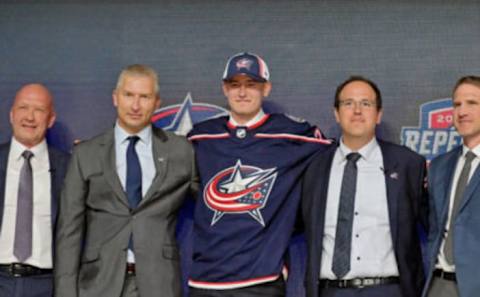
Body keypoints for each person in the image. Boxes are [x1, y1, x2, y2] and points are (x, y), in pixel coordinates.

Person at [187, 52, 331, 296]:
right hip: (205, 281)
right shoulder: (201, 137)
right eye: (235, 84)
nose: (242, 92)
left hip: (261, 283)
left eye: (251, 85)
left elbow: (342, 154)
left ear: (266, 88)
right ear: (225, 88)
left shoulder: (293, 135)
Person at [54, 64, 198, 297]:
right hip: (98, 285)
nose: (135, 105)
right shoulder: (86, 154)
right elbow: (69, 231)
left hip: (159, 284)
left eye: (144, 97)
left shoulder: (181, 151)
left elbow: (213, 205)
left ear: (157, 103)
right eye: (128, 95)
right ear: (115, 97)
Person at [302, 76, 428, 297]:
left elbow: (435, 225)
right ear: (336, 113)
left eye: (366, 104)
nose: (357, 111)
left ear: (378, 115)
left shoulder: (409, 164)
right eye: (348, 103)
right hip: (330, 291)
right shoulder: (314, 167)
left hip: (389, 290)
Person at [0, 84, 70, 297]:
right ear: (12, 115)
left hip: (47, 285)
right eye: (23, 108)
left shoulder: (70, 167)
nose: (29, 117)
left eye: (38, 110)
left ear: (50, 119)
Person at [422, 76, 480, 297]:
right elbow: (435, 227)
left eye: (472, 103)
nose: (462, 111)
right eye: (457, 104)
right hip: (438, 284)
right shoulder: (439, 165)